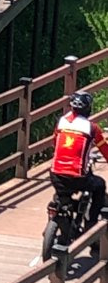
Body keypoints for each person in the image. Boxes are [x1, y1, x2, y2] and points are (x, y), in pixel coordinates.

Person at [50, 91, 108, 232]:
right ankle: (91, 223)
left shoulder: (61, 122)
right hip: (77, 176)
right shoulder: (92, 128)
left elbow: (54, 142)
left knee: (62, 193)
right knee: (100, 185)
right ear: (88, 108)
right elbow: (105, 150)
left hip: (55, 174)